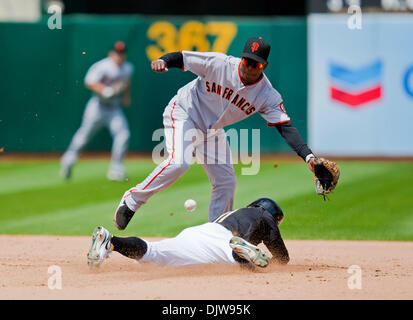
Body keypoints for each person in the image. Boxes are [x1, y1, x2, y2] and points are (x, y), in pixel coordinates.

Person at [114, 37, 317, 230]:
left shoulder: (267, 95)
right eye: (247, 60)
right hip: (185, 112)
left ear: (264, 66)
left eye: (256, 64)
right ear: (242, 57)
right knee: (179, 162)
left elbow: (285, 126)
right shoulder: (220, 63)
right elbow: (183, 58)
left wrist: (309, 157)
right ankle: (132, 200)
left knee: (226, 181)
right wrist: (163, 60)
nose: (249, 66)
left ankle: (216, 234)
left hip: (211, 130)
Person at [87, 197, 289, 270]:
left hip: (200, 231)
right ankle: (239, 252)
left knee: (154, 253)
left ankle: (111, 241)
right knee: (246, 267)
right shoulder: (266, 217)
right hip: (224, 240)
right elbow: (282, 257)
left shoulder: (238, 212)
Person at [61, 41, 134, 181]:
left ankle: (116, 169)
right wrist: (104, 90)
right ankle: (68, 161)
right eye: (117, 53)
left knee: (123, 135)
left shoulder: (128, 68)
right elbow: (89, 81)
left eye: (122, 53)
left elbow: (127, 83)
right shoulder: (103, 66)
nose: (119, 56)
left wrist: (126, 97)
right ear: (111, 53)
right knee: (84, 136)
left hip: (114, 108)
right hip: (97, 107)